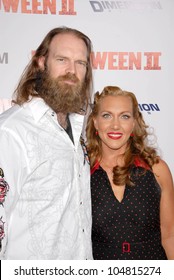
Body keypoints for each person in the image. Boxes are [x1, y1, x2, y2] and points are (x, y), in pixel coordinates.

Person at [0, 26, 93, 260]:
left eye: (80, 63)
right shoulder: (11, 132)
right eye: (62, 59)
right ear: (42, 62)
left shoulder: (77, 131)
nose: (72, 71)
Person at [86, 85, 174, 260]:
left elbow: (170, 235)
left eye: (124, 116)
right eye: (107, 115)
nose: (115, 125)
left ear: (134, 123)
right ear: (95, 121)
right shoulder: (80, 171)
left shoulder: (157, 169)